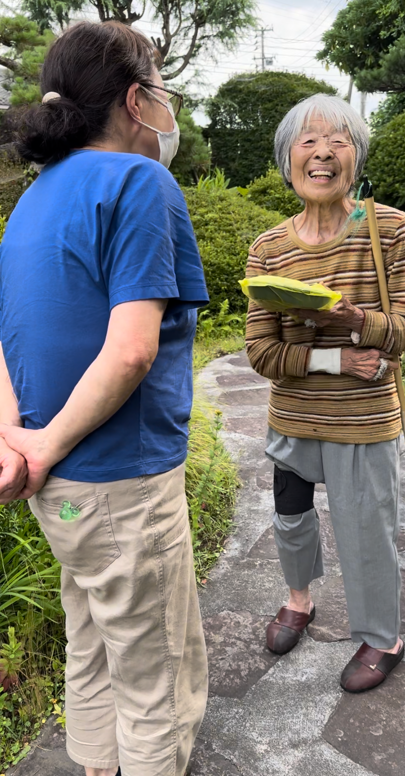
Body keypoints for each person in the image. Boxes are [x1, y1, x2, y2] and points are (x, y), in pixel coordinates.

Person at [0, 21, 209, 776]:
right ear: (133, 99)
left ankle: (95, 765)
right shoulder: (138, 182)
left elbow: (6, 334)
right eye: (161, 89)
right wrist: (45, 442)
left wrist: (18, 442)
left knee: (91, 636)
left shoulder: (32, 200)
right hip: (124, 481)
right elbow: (131, 349)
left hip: (57, 490)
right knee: (156, 675)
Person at [245, 94, 405, 693]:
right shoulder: (269, 248)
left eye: (338, 140)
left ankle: (383, 638)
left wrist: (352, 319)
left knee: (367, 532)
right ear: (287, 159)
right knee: (290, 517)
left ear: (356, 156)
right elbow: (261, 353)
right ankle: (299, 600)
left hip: (362, 420)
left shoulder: (388, 229)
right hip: (293, 417)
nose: (322, 152)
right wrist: (338, 357)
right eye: (308, 141)